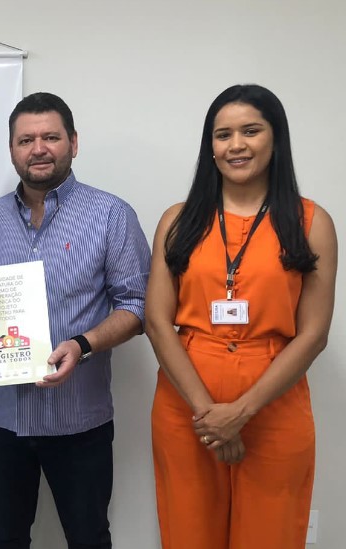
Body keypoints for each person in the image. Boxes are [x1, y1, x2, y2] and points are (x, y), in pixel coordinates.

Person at [0, 92, 151, 549]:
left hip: (79, 420)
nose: (38, 148)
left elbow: (138, 307)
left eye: (50, 137)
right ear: (12, 150)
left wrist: (82, 344)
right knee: (5, 539)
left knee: (88, 539)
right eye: (26, 140)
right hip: (2, 420)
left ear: (73, 143)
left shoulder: (111, 215)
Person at [146, 84, 338, 549]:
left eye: (251, 131)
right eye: (223, 134)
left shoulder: (312, 222)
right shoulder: (178, 220)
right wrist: (209, 415)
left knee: (270, 534)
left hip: (274, 405)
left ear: (276, 138)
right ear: (210, 147)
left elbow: (313, 335)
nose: (236, 145)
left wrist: (241, 412)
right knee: (189, 534)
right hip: (187, 406)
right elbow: (156, 321)